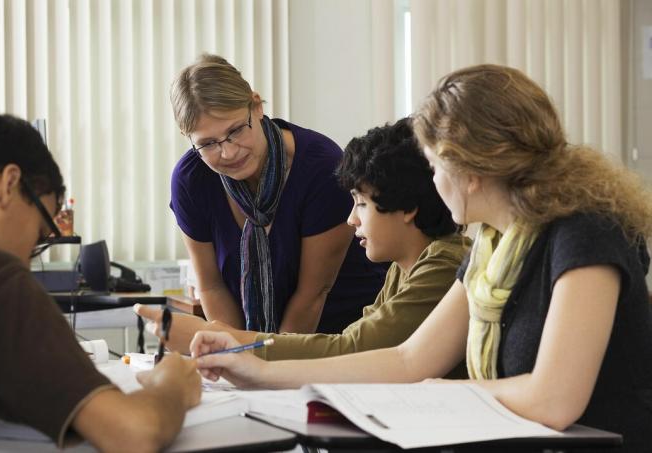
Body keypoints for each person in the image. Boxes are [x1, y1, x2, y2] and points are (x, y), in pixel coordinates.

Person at [189, 65, 652, 452]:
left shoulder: (585, 232)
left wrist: (450, 393)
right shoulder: (496, 242)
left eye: (433, 165)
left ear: (468, 169)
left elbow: (554, 400)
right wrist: (261, 372)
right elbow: (409, 360)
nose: (431, 181)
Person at [135, 118, 470, 361]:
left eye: (362, 204)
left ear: (408, 207)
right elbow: (352, 343)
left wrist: (230, 340)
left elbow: (353, 349)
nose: (351, 218)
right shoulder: (405, 266)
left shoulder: (443, 264)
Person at [0, 110, 201, 451]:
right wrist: (171, 382)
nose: (29, 256)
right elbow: (135, 432)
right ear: (8, 184)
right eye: (39, 235)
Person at [168, 54, 386, 335]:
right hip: (266, 341)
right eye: (207, 143)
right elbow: (212, 286)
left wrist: (265, 367)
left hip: (343, 333)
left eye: (235, 130)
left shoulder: (321, 167)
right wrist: (239, 354)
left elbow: (312, 294)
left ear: (256, 106)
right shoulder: (191, 180)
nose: (228, 152)